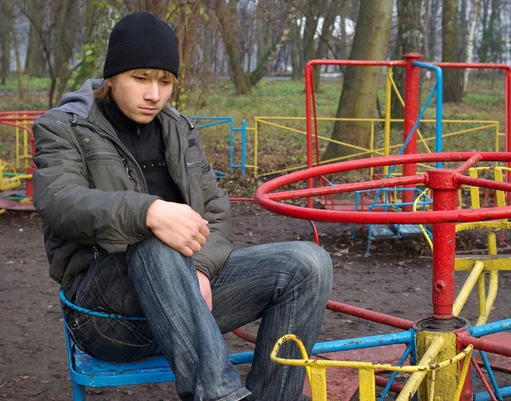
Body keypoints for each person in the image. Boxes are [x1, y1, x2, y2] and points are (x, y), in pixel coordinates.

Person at [32, 12, 332, 401]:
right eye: (140, 78)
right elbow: (59, 202)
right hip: (108, 318)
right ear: (111, 77)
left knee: (309, 263)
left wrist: (203, 268)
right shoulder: (65, 126)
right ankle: (219, 395)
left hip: (189, 305)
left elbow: (216, 211)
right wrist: (148, 212)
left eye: (165, 81)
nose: (154, 94)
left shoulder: (179, 129)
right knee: (152, 237)